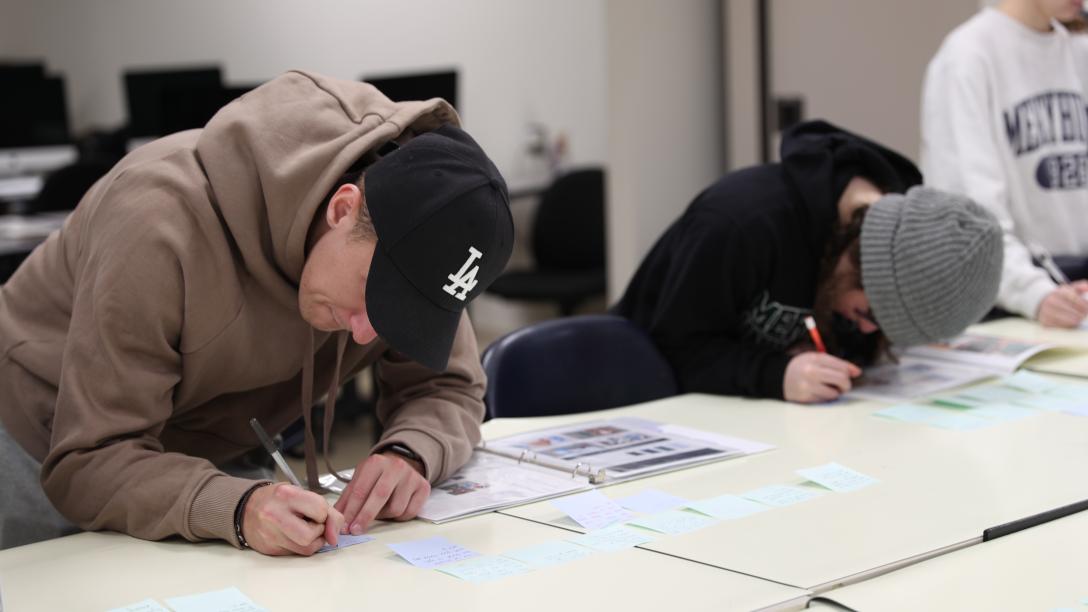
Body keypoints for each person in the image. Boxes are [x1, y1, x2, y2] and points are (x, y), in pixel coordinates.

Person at [0, 71, 514, 555]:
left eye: (405, 313)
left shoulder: (421, 236)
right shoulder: (157, 223)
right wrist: (236, 508)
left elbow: (446, 386)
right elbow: (89, 459)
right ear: (341, 209)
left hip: (206, 455)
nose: (367, 333)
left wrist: (411, 452)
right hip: (40, 434)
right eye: (376, 297)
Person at [613, 121, 1003, 404]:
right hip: (644, 395)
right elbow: (672, 349)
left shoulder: (903, 229)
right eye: (870, 313)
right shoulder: (739, 223)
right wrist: (775, 374)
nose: (866, 328)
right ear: (859, 257)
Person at [921, 0, 1088, 328]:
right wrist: (1034, 293)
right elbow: (967, 215)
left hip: (1075, 302)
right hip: (1010, 306)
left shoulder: (1078, 52)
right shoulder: (968, 56)